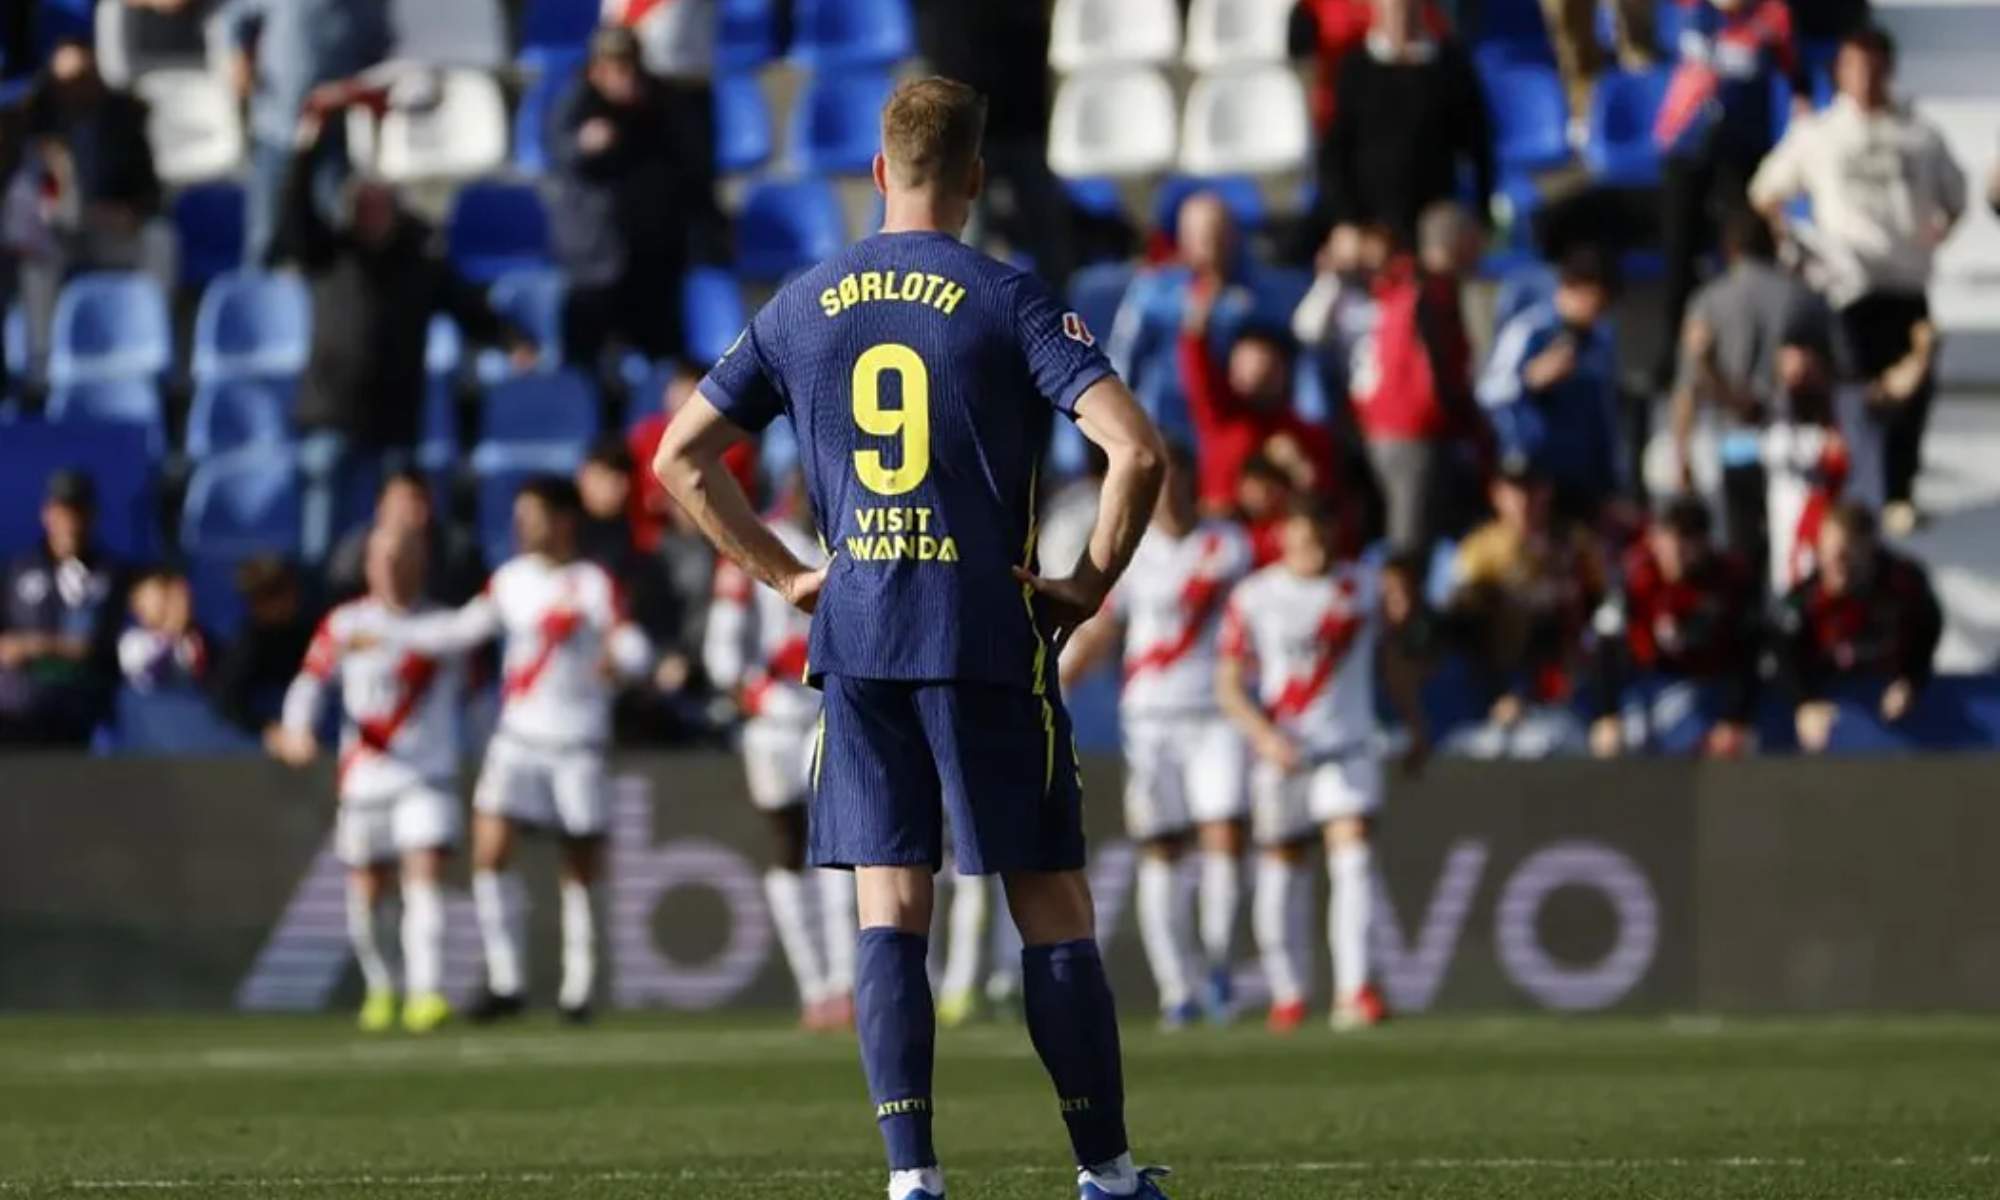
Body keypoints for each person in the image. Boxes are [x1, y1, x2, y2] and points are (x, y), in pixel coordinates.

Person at [654, 75, 1176, 1200]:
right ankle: (1106, 1172)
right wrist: (1086, 585)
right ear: (976, 180)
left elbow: (678, 458)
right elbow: (1135, 451)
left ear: (878, 172)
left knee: (889, 906)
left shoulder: (802, 301)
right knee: (1047, 901)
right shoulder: (1007, 295)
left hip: (858, 636)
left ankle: (911, 1179)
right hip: (984, 627)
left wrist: (789, 573)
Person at [365, 477, 654, 1024]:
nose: (521, 525)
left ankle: (580, 988)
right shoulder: (510, 581)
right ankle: (507, 981)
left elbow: (629, 641)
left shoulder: (593, 583)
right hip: (518, 738)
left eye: (534, 514)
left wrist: (627, 662)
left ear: (565, 519)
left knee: (581, 864)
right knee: (490, 851)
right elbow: (460, 631)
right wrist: (392, 632)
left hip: (578, 742)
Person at [283, 103, 537, 563]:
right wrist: (308, 147)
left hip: (394, 418)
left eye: (381, 206)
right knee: (321, 538)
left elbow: (467, 307)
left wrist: (511, 339)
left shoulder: (419, 264)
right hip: (333, 413)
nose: (372, 215)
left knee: (400, 535)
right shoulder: (329, 255)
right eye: (363, 207)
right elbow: (293, 215)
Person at [1061, 446, 1254, 1029]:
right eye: (1161, 483)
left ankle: (1219, 965)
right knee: (1161, 849)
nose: (1168, 494)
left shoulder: (1229, 546)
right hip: (1150, 721)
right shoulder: (1133, 553)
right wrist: (1058, 675)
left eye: (1178, 481)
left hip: (1216, 714)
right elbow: (1103, 629)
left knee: (1223, 837)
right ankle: (1179, 987)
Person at [1215, 497, 1425, 1033]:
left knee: (1353, 861)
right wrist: (1263, 736)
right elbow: (1229, 684)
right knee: (1283, 872)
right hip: (1285, 753)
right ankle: (1288, 991)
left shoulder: (1364, 587)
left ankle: (1355, 990)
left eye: (1324, 539)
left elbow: (1391, 659)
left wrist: (1413, 721)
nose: (1315, 551)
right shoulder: (1255, 596)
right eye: (1305, 540)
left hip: (1348, 746)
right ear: (1283, 538)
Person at [1749, 25, 1968, 536]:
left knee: (1913, 389)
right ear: (1840, 73)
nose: (1866, 78)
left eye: (1874, 67)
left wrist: (1933, 236)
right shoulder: (1819, 133)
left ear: (1889, 70)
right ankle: (1850, 493)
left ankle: (1898, 492)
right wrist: (1794, 247)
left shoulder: (1920, 134)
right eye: (1855, 67)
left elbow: (1955, 199)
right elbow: (1763, 192)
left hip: (1907, 284)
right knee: (1854, 395)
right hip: (1846, 287)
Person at [265, 525, 469, 1035]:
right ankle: (382, 987)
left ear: (421, 564)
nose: (393, 568)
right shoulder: (344, 624)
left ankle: (427, 994)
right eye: (384, 559)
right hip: (366, 778)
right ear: (368, 567)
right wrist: (297, 730)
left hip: (427, 775)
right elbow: (310, 683)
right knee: (368, 891)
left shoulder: (445, 627)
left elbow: (478, 692)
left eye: (403, 557)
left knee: (424, 878)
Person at [703, 498, 856, 1031]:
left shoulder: (849, 534)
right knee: (788, 843)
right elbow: (720, 650)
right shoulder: (752, 544)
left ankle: (847, 984)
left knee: (840, 843)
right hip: (771, 724)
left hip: (829, 710)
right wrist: (757, 692)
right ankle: (815, 987)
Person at [1671, 208, 1838, 573]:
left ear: (1729, 250)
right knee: (1792, 549)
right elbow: (1833, 377)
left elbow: (1688, 387)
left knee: (1738, 552)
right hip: (1793, 441)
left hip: (1733, 442)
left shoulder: (1709, 300)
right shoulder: (1802, 297)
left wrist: (1680, 454)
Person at [1652, 0, 1809, 388]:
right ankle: (1677, 358)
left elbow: (1797, 79)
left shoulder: (1773, 14)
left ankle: (1749, 357)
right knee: (1679, 252)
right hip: (1686, 146)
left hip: (1743, 152)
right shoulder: (1686, 8)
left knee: (1747, 256)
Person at [549, 27, 716, 384]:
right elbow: (561, 152)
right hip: (593, 260)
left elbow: (692, 165)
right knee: (584, 365)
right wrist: (585, 144)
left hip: (653, 258)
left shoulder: (663, 102)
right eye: (611, 66)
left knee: (662, 358)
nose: (621, 75)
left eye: (627, 65)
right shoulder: (577, 102)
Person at [16, 38, 175, 383]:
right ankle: (40, 370)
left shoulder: (125, 121)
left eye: (85, 78)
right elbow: (28, 194)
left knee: (161, 239)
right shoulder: (38, 123)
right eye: (67, 82)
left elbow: (151, 192)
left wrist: (130, 212)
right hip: (60, 233)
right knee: (36, 262)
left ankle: (153, 349)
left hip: (113, 230)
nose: (77, 90)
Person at [1447, 458, 1606, 757]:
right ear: (1497, 494)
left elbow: (1598, 607)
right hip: (1495, 679)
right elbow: (1464, 625)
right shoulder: (1480, 549)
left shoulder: (1574, 543)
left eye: (1532, 489)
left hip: (1563, 679)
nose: (1523, 500)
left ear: (1547, 492)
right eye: (1515, 490)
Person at [220, 0, 391, 267]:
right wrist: (241, 58)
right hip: (277, 130)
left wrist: (347, 92)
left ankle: (328, 302)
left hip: (334, 134)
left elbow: (379, 56)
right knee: (265, 234)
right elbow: (236, 17)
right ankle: (256, 300)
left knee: (332, 228)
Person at [914, 0, 1073, 285]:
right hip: (965, 119)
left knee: (1048, 239)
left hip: (1023, 117)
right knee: (966, 233)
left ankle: (1060, 316)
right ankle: (962, 317)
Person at [1588, 497, 1761, 758]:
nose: (1677, 548)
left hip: (1708, 685)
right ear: (1654, 538)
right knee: (1621, 740)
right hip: (1648, 683)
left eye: (1688, 537)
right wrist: (1607, 714)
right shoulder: (1634, 578)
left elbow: (1749, 650)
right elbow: (1605, 644)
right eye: (1669, 536)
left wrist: (1734, 717)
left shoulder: (1727, 582)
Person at [1317, 0, 1492, 248]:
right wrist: (1348, 220)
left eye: (1409, 6)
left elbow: (1480, 146)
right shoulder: (1355, 68)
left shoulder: (1450, 66)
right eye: (1394, 6)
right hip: (1371, 224)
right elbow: (1333, 153)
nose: (1402, 15)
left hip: (1435, 222)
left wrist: (1480, 214)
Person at [1778, 501, 1941, 753]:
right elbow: (1782, 648)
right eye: (1827, 556)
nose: (1835, 569)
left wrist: (1911, 680)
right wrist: (1804, 701)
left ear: (1869, 550)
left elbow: (1928, 630)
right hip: (1832, 697)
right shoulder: (1805, 597)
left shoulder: (1904, 585)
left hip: (1889, 696)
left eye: (1845, 558)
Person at [1478, 247, 1623, 524]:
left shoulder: (1600, 341)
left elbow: (1604, 413)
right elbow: (1488, 392)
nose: (1598, 313)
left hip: (1582, 478)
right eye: (1595, 301)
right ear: (1572, 289)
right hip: (1532, 477)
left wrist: (1611, 481)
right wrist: (1530, 380)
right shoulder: (1529, 330)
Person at [1178, 300, 1338, 519]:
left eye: (1268, 368)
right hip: (1221, 536)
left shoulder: (1306, 434)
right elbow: (1196, 364)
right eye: (1245, 365)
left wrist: (1299, 469)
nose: (1256, 375)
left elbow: (1324, 503)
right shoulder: (1219, 416)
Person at [0, 470, 123, 745]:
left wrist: (33, 646)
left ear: (92, 516)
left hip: (83, 711)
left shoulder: (112, 574)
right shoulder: (16, 570)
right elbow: (6, 646)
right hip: (18, 708)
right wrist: (48, 645)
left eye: (79, 513)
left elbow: (99, 647)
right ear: (47, 514)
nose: (71, 524)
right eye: (63, 513)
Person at [325, 470, 485, 607]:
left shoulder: (457, 551)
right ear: (381, 508)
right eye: (400, 502)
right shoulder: (356, 550)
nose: (410, 510)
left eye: (418, 501)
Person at [208, 554, 315, 733]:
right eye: (269, 595)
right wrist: (266, 730)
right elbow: (226, 698)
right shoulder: (249, 643)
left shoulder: (311, 631)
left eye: (283, 591)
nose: (285, 602)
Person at [117, 567, 208, 692]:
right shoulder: (133, 643)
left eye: (168, 595)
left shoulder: (198, 640)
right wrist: (172, 632)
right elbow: (150, 681)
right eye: (139, 600)